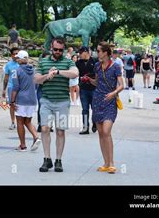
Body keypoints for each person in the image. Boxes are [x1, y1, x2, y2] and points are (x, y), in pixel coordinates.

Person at [35, 37, 79, 173]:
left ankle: (58, 160)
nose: (58, 52)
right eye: (55, 49)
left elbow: (75, 73)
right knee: (45, 129)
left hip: (62, 102)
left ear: (63, 49)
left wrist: (58, 72)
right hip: (46, 100)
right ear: (51, 49)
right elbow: (36, 79)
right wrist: (47, 76)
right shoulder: (43, 62)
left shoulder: (68, 62)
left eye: (60, 50)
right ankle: (46, 159)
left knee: (60, 131)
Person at [89, 42, 124, 174]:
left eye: (98, 51)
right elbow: (98, 82)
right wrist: (89, 80)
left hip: (110, 101)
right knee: (100, 133)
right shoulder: (97, 66)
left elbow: (121, 85)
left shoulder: (116, 66)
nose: (96, 53)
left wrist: (114, 93)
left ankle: (112, 163)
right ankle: (105, 163)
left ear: (105, 53)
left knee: (106, 131)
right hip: (97, 100)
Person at [10, 50, 41, 152]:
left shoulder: (16, 71)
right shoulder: (34, 70)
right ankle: (36, 136)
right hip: (32, 99)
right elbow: (36, 84)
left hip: (21, 99)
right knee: (28, 121)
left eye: (17, 58)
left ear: (20, 59)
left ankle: (23, 145)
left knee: (19, 121)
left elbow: (15, 88)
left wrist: (12, 101)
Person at [76, 46, 97, 134]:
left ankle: (95, 123)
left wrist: (89, 77)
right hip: (83, 88)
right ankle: (85, 127)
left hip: (94, 88)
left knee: (94, 108)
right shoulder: (78, 63)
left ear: (86, 52)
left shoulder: (95, 61)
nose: (79, 55)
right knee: (85, 109)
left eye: (81, 53)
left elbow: (98, 74)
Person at [2, 47, 20, 130]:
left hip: (21, 87)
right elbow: (6, 78)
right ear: (11, 55)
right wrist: (4, 89)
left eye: (17, 53)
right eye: (14, 54)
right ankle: (13, 122)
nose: (16, 55)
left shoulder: (22, 63)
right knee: (12, 105)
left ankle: (21, 121)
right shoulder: (8, 65)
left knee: (20, 105)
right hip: (11, 87)